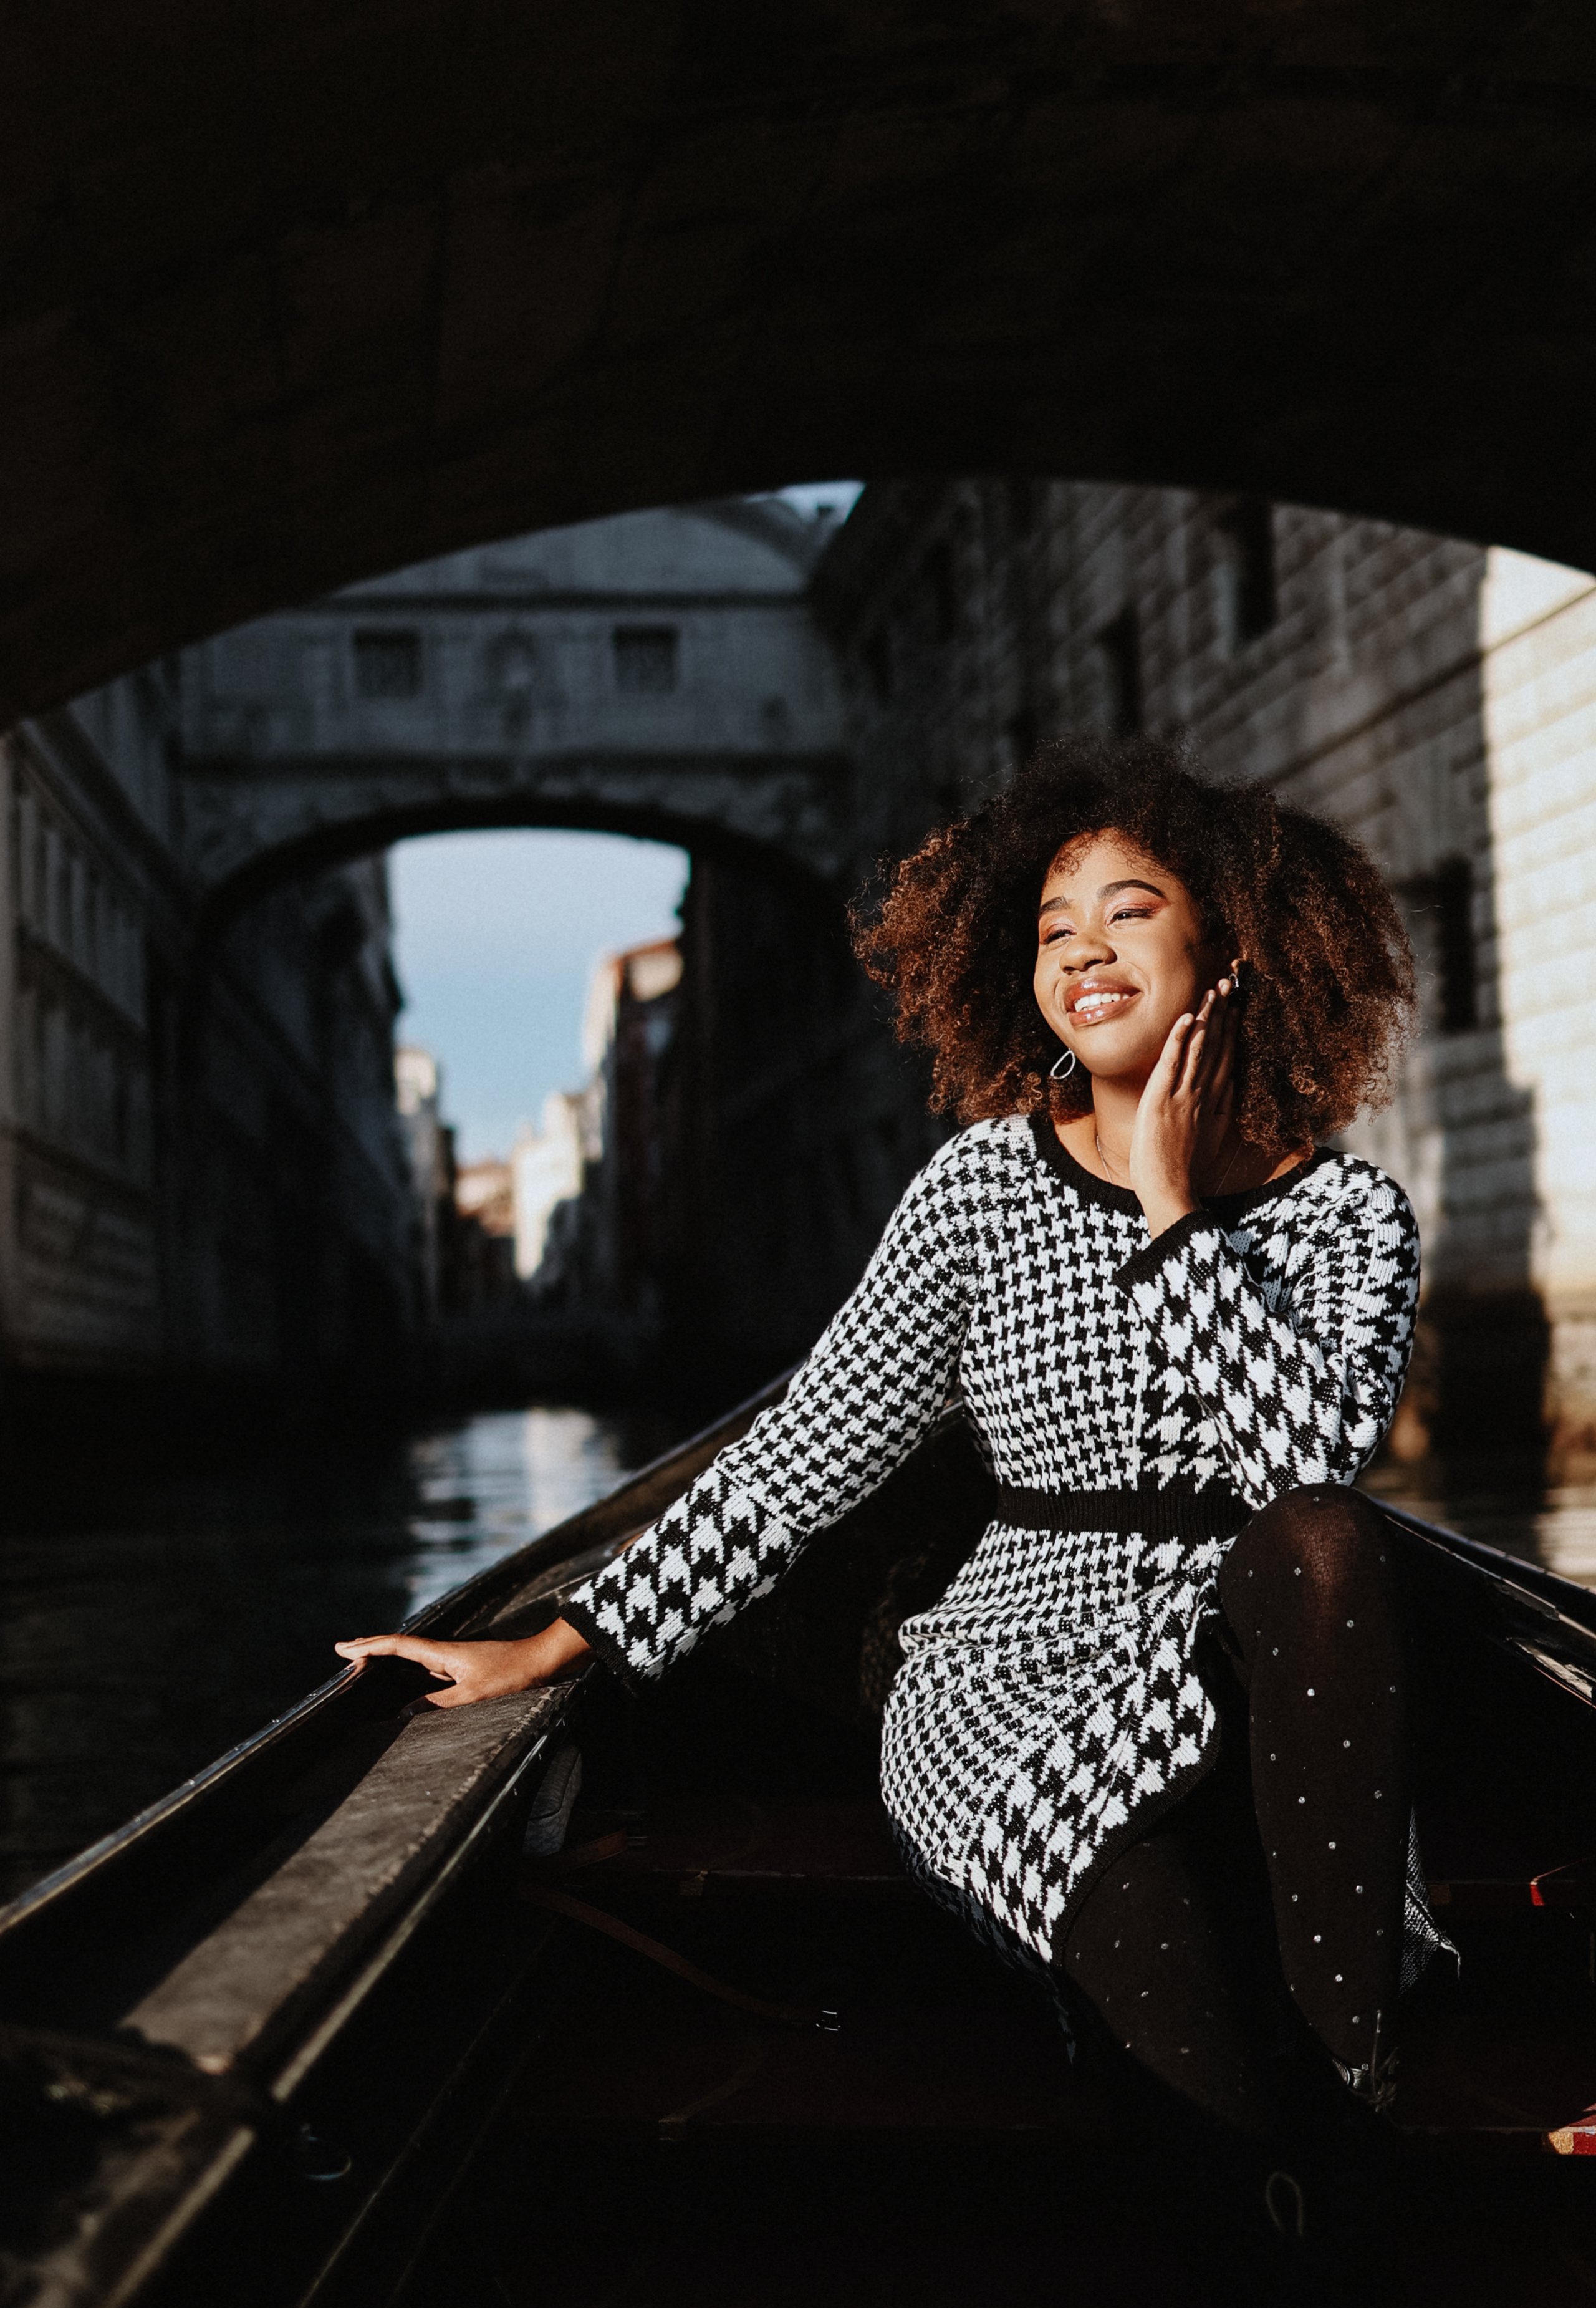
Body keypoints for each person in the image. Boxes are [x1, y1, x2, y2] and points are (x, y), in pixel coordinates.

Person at [337, 738, 1447, 2147]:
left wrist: (1170, 1210)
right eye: (1053, 929)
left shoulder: (1343, 1218)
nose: (1081, 952)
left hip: (1261, 1684)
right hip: (1012, 1676)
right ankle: (1291, 2193)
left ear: (1228, 944)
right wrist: (557, 1642)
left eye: (1128, 909)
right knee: (1181, 2023)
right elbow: (799, 1460)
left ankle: (1351, 2093)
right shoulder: (981, 1187)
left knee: (1327, 1543)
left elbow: (1306, 1471)